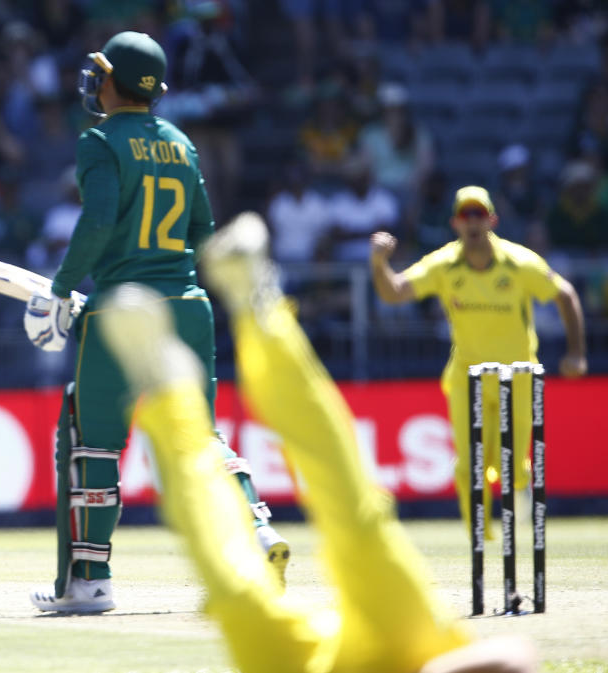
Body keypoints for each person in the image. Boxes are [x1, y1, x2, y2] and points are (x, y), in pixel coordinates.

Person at [94, 211, 538, 673]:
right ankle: (262, 310)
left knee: (236, 596)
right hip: (412, 652)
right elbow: (516, 658)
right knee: (357, 523)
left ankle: (168, 392)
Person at [23, 31, 288, 613]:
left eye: (101, 72)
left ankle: (89, 582)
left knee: (92, 445)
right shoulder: (181, 142)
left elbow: (95, 224)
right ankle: (258, 530)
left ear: (112, 80)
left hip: (124, 307)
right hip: (188, 304)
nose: (93, 81)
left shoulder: (99, 141)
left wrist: (60, 289)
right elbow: (201, 234)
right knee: (200, 437)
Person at [369, 186, 587, 536]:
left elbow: (565, 294)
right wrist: (379, 264)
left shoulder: (519, 263)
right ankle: (481, 542)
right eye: (466, 215)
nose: (472, 222)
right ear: (455, 222)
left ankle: (518, 527)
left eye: (479, 214)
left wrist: (576, 352)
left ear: (492, 220)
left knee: (513, 465)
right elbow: (394, 292)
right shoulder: (443, 264)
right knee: (470, 465)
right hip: (467, 375)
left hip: (517, 374)